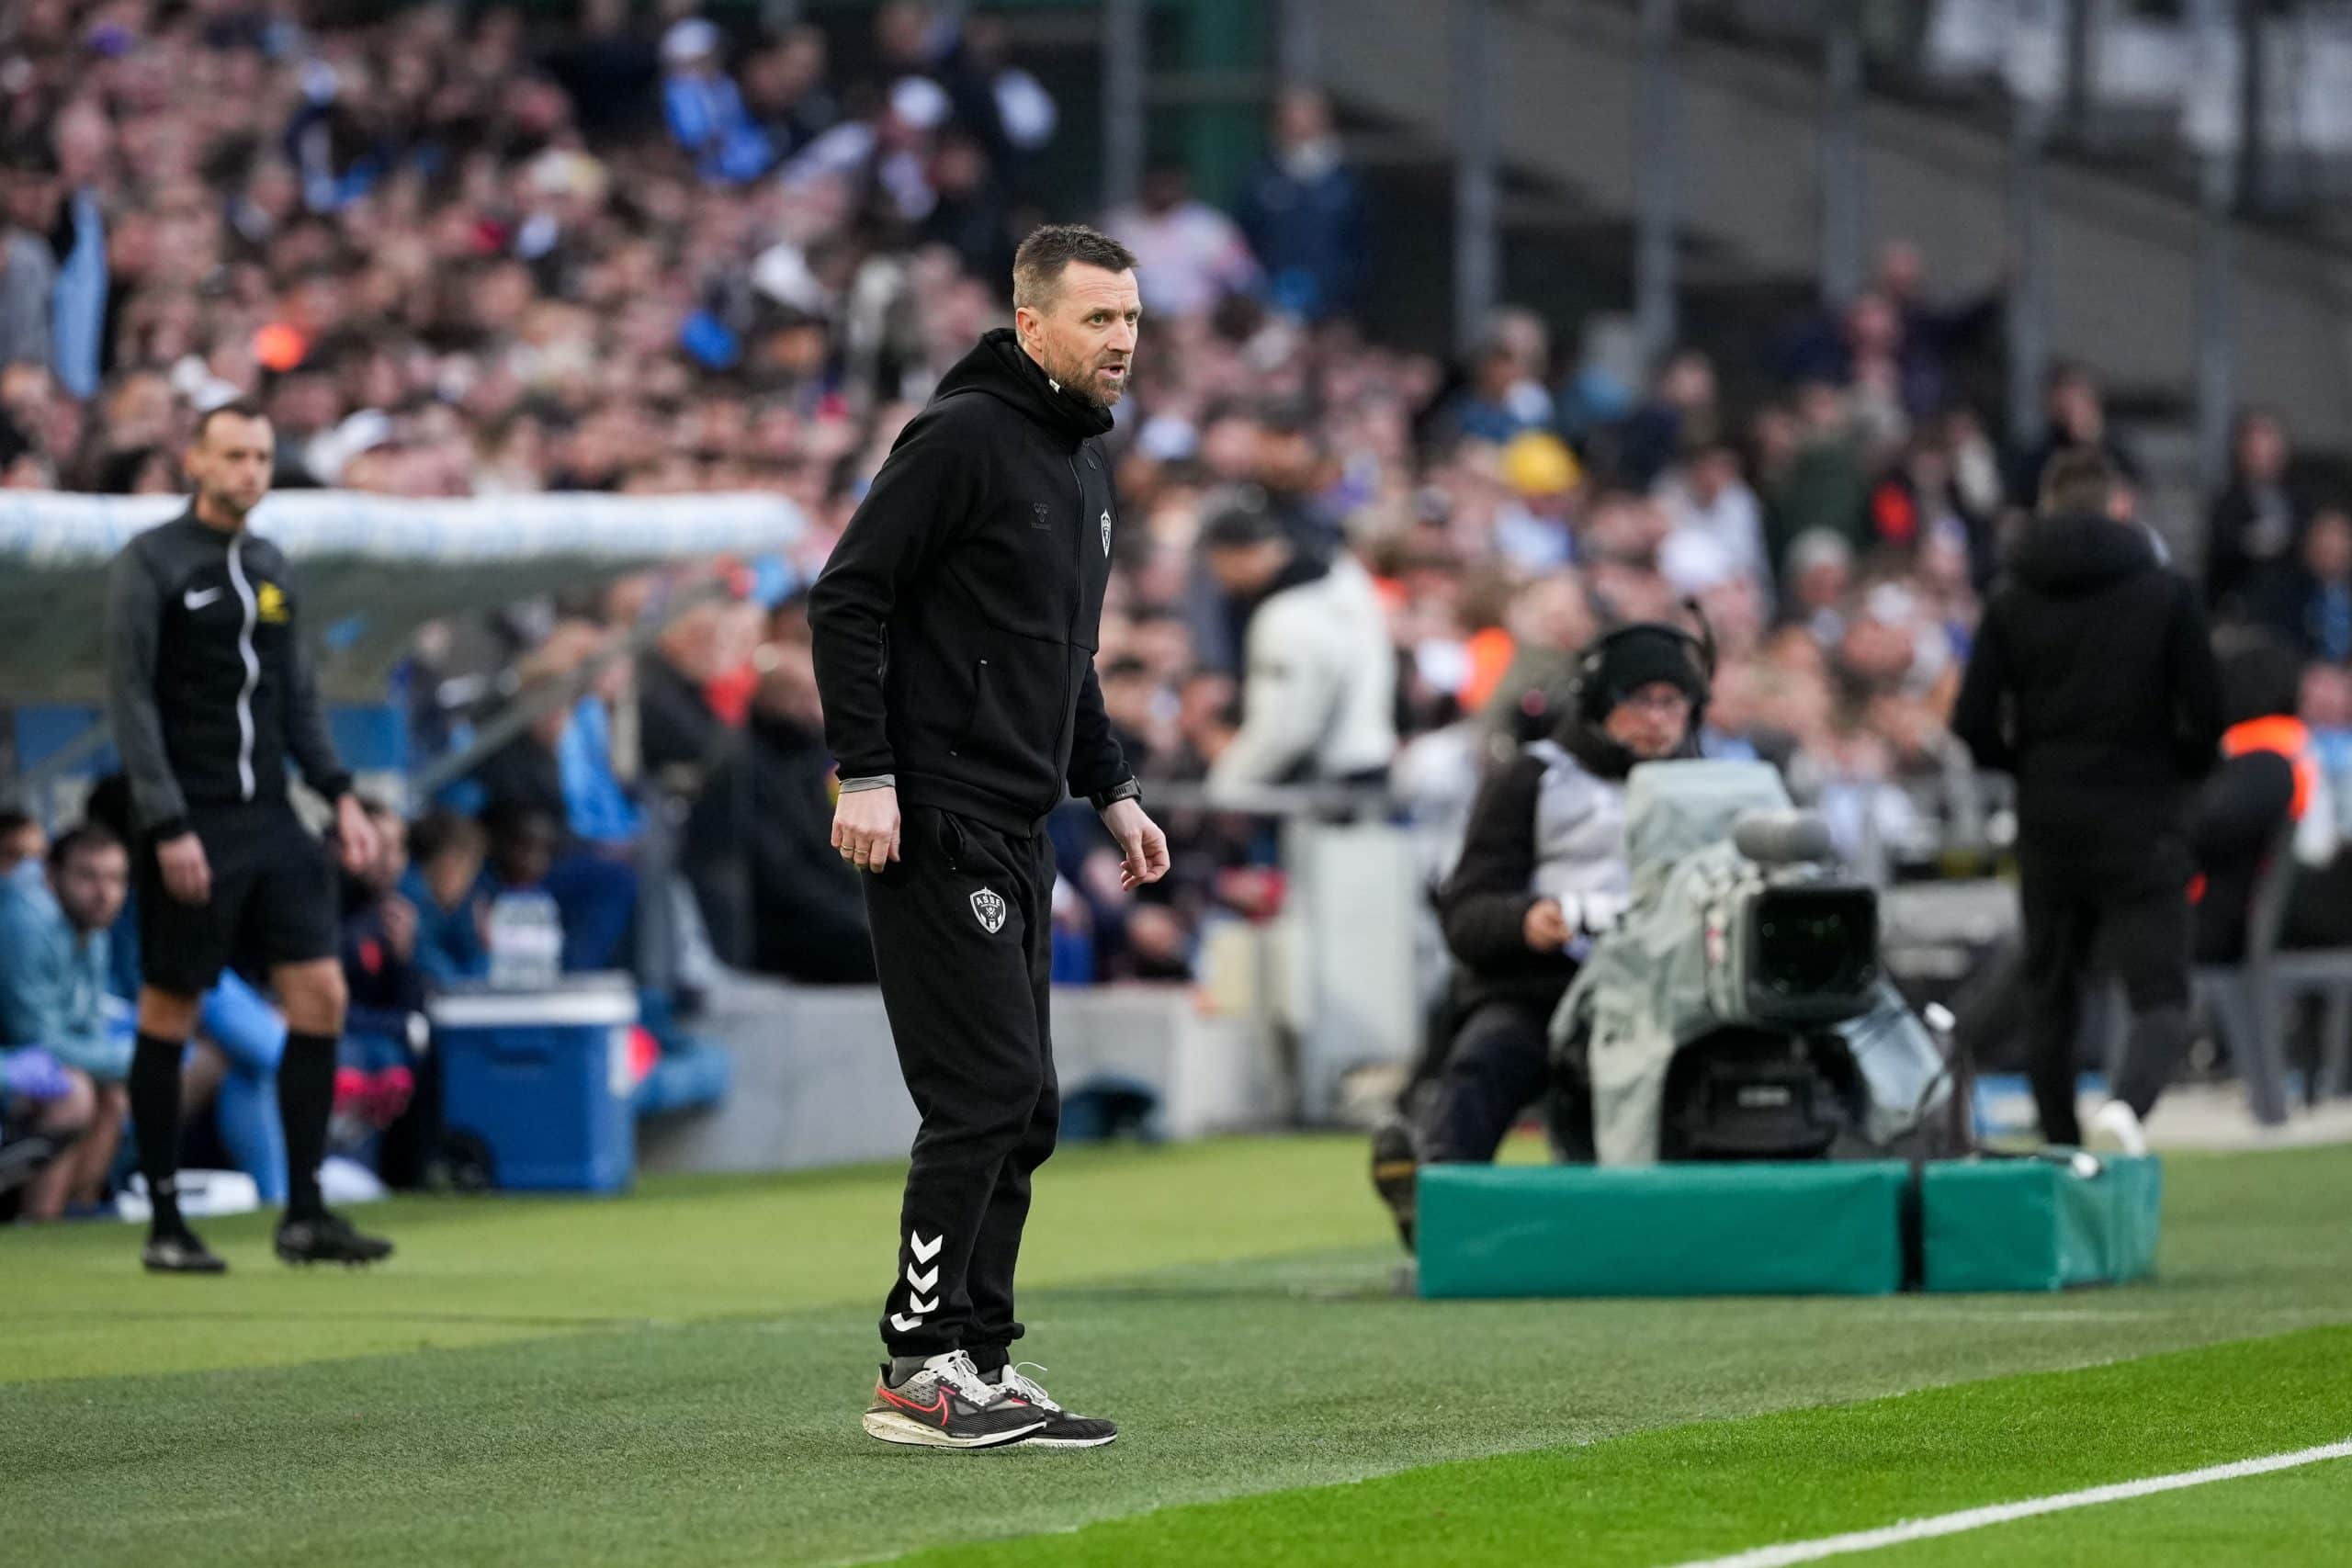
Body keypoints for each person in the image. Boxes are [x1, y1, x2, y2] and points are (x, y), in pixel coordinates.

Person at [809, 223, 1169, 1450]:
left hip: (1020, 821)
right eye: (1099, 319)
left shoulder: (1079, 466)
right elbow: (848, 592)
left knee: (1026, 1105)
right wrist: (865, 770)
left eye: (1132, 318)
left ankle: (979, 1356)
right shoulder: (962, 438)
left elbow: (1062, 659)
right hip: (930, 811)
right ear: (1032, 326)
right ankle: (915, 1369)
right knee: (984, 1088)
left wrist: (1111, 787)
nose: (1123, 340)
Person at [103, 400, 391, 1273]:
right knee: (172, 1010)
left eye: (262, 457)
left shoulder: (271, 568)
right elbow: (130, 701)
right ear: (194, 461)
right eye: (233, 455)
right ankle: (163, 1222)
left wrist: (339, 794)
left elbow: (296, 697)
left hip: (272, 817)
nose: (249, 472)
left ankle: (303, 1211)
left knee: (323, 1000)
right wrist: (165, 821)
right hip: (193, 822)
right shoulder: (149, 563)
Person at [1371, 621, 1711, 1247]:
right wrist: (1525, 920)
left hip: (1675, 991)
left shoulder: (1714, 787)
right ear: (1602, 701)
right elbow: (1467, 909)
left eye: (1673, 702)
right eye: (1642, 700)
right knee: (1488, 1056)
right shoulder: (1532, 778)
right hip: (1546, 986)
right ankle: (1439, 1204)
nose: (1659, 720)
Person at [1951, 449, 2224, 1154]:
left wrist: (2026, 766)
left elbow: (1973, 720)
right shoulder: (2165, 593)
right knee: (2160, 991)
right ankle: (2126, 1107)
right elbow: (2207, 711)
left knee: (2052, 989)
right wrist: (2178, 773)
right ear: (2117, 505)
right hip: (2142, 816)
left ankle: (2060, 1142)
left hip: (2049, 817)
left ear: (2044, 506)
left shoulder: (2011, 596)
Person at [684, 638, 875, 982]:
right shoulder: (743, 766)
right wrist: (856, 915)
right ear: (773, 698)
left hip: (825, 909)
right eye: (802, 696)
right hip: (775, 928)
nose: (817, 709)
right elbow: (781, 872)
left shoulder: (808, 753)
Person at [1198, 502, 1398, 800]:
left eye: (1218, 563)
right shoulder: (1346, 578)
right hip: (1370, 769)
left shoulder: (1285, 616)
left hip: (1330, 791)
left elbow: (1284, 730)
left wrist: (1223, 788)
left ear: (1237, 555)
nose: (1219, 578)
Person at [0, 823, 133, 1217]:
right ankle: (39, 1223)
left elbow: (87, 1029)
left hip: (28, 1065)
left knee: (111, 1094)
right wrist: (133, 1060)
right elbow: (35, 1037)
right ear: (52, 874)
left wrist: (118, 1063)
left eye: (115, 879)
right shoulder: (27, 923)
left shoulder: (93, 929)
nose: (103, 893)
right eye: (88, 877)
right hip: (15, 1067)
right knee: (72, 1091)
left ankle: (77, 1216)